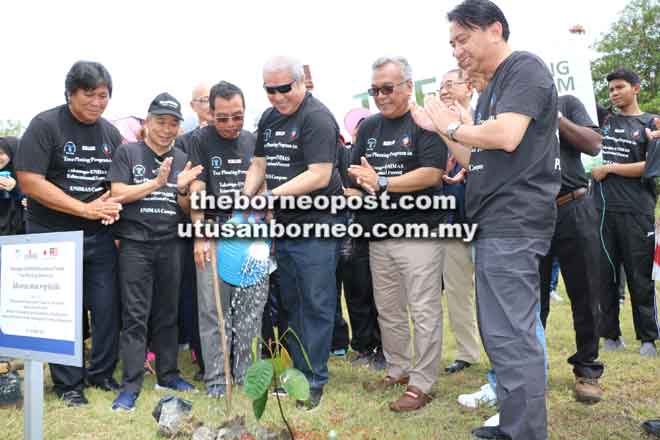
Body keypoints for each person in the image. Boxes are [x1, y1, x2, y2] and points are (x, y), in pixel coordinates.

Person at [412, 0, 560, 437]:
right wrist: (440, 127)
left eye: (463, 39)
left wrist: (452, 125)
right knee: (499, 334)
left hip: (515, 220)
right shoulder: (494, 85)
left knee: (513, 334)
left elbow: (507, 136)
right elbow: (476, 156)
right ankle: (515, 421)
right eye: (452, 43)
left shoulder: (524, 69)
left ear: (494, 29)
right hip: (493, 222)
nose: (457, 51)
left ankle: (526, 430)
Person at [15, 61, 124, 406]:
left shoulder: (110, 133)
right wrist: (83, 209)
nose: (97, 101)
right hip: (53, 234)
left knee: (107, 307)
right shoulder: (46, 125)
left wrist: (110, 203)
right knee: (64, 310)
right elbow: (30, 181)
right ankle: (68, 385)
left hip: (100, 235)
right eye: (89, 94)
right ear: (70, 94)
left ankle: (102, 374)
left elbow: (116, 182)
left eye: (103, 95)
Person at [242, 56, 343, 411]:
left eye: (284, 88)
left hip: (317, 222)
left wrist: (270, 196)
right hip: (284, 225)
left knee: (316, 301)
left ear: (301, 83)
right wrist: (247, 195)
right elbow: (259, 164)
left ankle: (313, 380)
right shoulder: (268, 119)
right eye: (270, 89)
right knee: (292, 300)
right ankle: (298, 373)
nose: (277, 96)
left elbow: (319, 174)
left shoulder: (317, 118)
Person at [351, 56, 447, 413]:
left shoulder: (423, 122)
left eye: (387, 88)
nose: (380, 96)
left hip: (418, 232)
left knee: (423, 309)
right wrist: (360, 185)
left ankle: (423, 382)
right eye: (375, 90)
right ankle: (398, 368)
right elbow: (359, 173)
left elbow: (432, 173)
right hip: (378, 233)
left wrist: (384, 182)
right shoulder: (369, 127)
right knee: (388, 309)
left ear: (409, 86)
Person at [109, 93, 202, 411]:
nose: (166, 129)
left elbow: (187, 208)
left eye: (173, 123)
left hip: (171, 243)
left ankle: (168, 373)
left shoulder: (182, 156)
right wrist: (157, 182)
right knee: (135, 315)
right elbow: (118, 193)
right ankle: (130, 385)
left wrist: (182, 188)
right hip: (135, 243)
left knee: (167, 313)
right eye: (160, 122)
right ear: (147, 123)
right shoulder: (129, 152)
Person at [189, 81, 269, 398]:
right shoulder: (197, 140)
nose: (230, 124)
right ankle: (217, 380)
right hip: (214, 232)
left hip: (249, 235)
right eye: (222, 118)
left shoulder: (253, 141)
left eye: (237, 116)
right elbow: (196, 187)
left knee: (251, 309)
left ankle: (248, 375)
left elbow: (262, 187)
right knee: (214, 310)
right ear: (210, 113)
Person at [537, 94, 605, 403]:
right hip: (532, 212)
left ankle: (587, 370)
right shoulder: (514, 110)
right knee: (531, 296)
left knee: (586, 291)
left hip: (574, 206)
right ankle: (531, 366)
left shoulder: (566, 103)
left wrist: (556, 117)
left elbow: (592, 144)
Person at [591, 68, 660, 357]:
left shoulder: (652, 123)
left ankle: (647, 339)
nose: (614, 93)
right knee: (604, 275)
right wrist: (577, 42)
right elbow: (578, 86)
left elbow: (649, 166)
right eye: (610, 89)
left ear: (636, 89)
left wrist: (609, 168)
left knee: (640, 276)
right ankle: (610, 335)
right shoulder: (603, 120)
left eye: (620, 87)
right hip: (602, 210)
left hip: (637, 210)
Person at [436, 68, 481, 374]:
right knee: (457, 290)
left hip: (486, 218)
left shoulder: (483, 117)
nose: (444, 90)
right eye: (441, 86)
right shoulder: (433, 127)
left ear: (469, 87)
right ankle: (467, 352)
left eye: (450, 84)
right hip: (451, 220)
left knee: (496, 292)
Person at [337, 112, 385, 370]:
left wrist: (359, 194)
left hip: (374, 231)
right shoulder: (346, 155)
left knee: (375, 295)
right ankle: (363, 346)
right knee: (355, 294)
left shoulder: (380, 160)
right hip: (348, 234)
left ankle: (382, 348)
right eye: (359, 131)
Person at [174, 81, 213, 382]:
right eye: (204, 100)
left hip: (238, 228)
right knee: (198, 298)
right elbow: (185, 191)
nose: (211, 105)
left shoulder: (243, 136)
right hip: (195, 229)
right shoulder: (185, 142)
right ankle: (203, 359)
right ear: (193, 105)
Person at [0, 137, 26, 235]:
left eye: (1, 153)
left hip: (21, 230)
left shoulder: (28, 173)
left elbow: (32, 201)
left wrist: (14, 188)